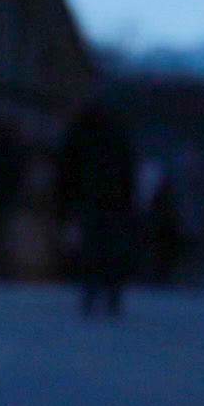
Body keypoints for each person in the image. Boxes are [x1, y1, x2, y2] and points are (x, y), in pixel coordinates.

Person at [55, 102, 138, 319]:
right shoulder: (115, 135)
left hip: (91, 199)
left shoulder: (82, 133)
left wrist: (65, 201)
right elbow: (128, 170)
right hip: (111, 200)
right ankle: (110, 294)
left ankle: (93, 293)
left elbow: (67, 169)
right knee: (109, 247)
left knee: (94, 246)